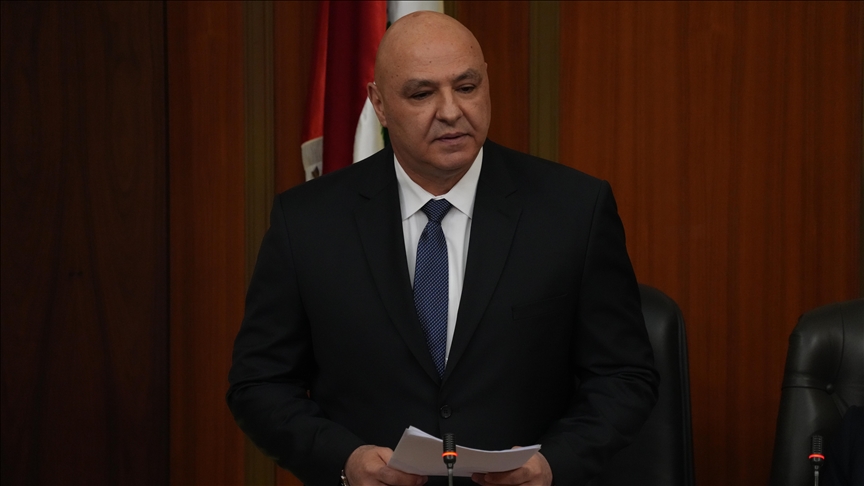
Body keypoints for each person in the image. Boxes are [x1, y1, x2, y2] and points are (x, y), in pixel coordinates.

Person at [227, 11, 658, 486]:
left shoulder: (574, 210)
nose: (451, 111)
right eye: (422, 94)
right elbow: (260, 383)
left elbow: (623, 375)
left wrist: (555, 463)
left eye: (467, 87)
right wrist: (344, 460)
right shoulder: (308, 222)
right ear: (379, 105)